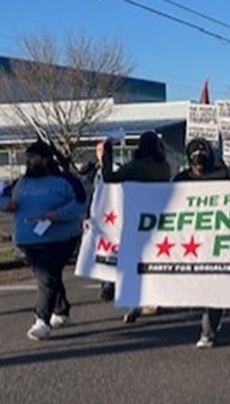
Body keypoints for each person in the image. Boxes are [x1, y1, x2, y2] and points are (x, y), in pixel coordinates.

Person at [0, 140, 86, 340]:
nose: (29, 161)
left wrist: (58, 214)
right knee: (49, 277)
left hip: (61, 239)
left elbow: (81, 202)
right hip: (28, 240)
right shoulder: (21, 182)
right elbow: (3, 197)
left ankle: (41, 321)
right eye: (28, 158)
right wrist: (6, 205)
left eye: (33, 157)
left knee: (47, 277)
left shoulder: (65, 181)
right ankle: (61, 310)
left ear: (46, 159)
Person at [102, 132, 172, 324]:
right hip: (158, 218)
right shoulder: (164, 167)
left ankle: (136, 300)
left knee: (135, 261)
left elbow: (109, 177)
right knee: (155, 259)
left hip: (135, 219)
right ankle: (154, 299)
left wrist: (108, 153)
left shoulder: (135, 167)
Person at [174, 138, 230, 348]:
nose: (199, 160)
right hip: (189, 242)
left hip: (216, 241)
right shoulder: (180, 180)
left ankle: (208, 330)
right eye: (195, 156)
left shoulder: (223, 176)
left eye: (202, 155)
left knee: (213, 284)